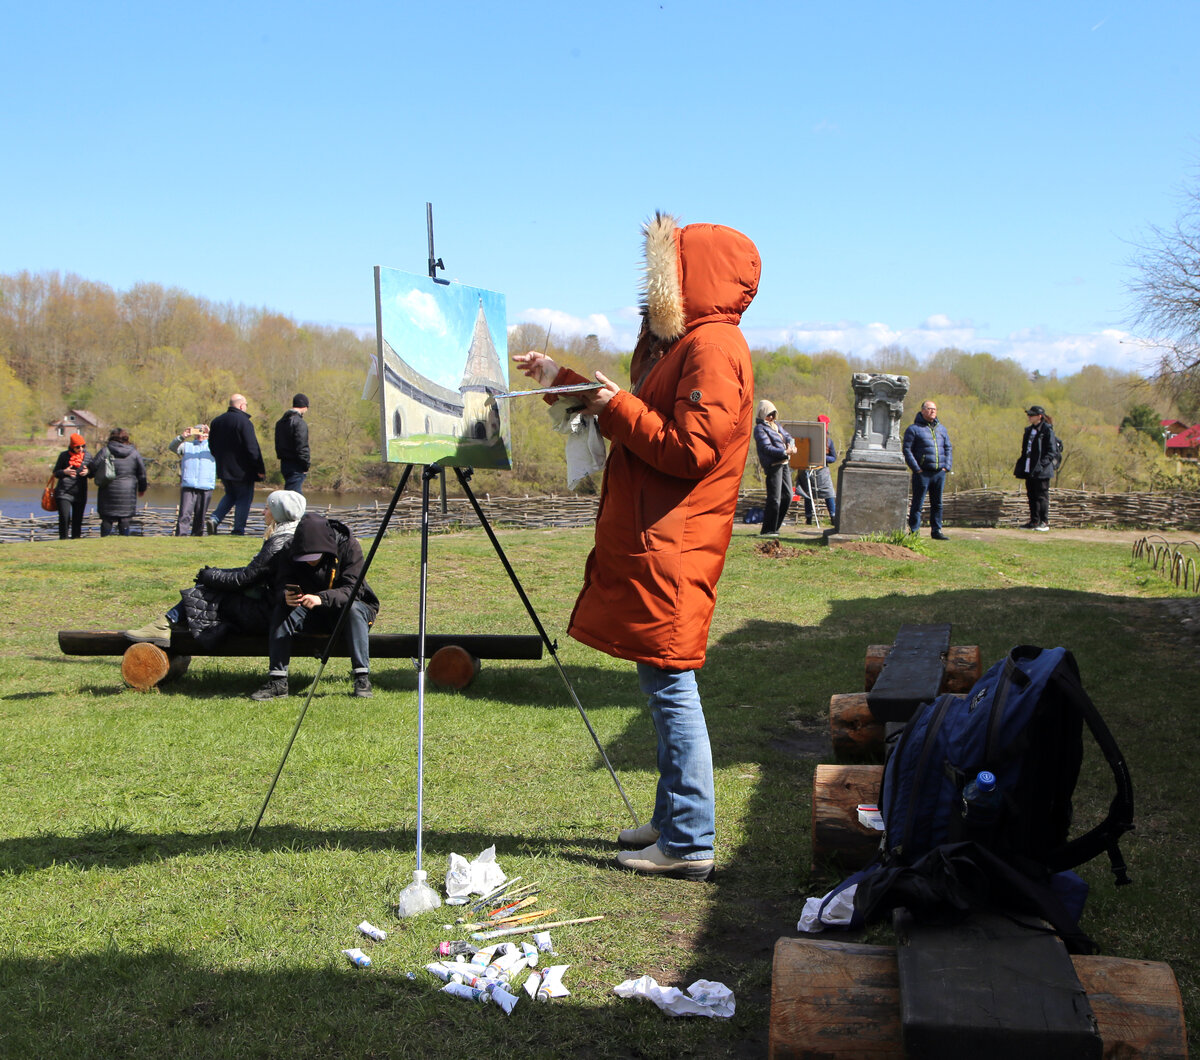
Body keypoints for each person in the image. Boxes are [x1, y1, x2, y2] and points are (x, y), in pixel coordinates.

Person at [513, 211, 760, 882]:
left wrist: (616, 406)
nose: (654, 290)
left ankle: (689, 840)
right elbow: (636, 411)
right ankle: (673, 818)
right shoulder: (682, 346)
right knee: (661, 684)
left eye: (666, 274)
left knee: (671, 686)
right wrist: (561, 377)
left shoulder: (713, 348)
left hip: (675, 543)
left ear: (692, 278)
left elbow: (690, 449)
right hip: (660, 537)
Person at [124, 490, 308, 649]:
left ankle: (164, 625)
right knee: (213, 586)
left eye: (267, 508)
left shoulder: (279, 541)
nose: (263, 512)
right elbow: (254, 572)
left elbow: (244, 579)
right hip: (276, 605)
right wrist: (217, 573)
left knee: (207, 591)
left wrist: (208, 576)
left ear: (277, 512)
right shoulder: (293, 534)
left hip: (270, 612)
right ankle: (168, 624)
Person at [248, 511, 380, 701]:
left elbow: (353, 589)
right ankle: (278, 681)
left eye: (314, 556)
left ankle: (362, 678)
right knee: (282, 609)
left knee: (352, 609)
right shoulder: (289, 549)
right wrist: (285, 595)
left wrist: (321, 598)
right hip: (308, 610)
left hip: (349, 610)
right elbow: (280, 582)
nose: (310, 561)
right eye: (304, 557)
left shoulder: (349, 546)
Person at [207, 393, 265, 535]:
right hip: (243, 470)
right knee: (244, 499)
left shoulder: (216, 422)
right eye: (246, 405)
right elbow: (252, 448)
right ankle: (238, 530)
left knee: (230, 495)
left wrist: (220, 461)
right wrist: (260, 468)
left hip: (223, 469)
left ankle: (214, 519)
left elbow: (212, 446)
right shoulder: (244, 422)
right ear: (241, 406)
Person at [902, 400, 952, 540]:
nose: (933, 411)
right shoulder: (913, 429)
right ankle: (914, 532)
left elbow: (948, 448)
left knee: (937, 503)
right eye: (930, 408)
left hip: (939, 472)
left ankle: (936, 531)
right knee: (918, 503)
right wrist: (917, 469)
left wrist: (946, 467)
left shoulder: (941, 429)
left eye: (934, 409)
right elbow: (907, 450)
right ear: (923, 410)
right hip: (922, 473)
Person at [91, 428, 147, 537]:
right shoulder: (134, 453)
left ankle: (104, 541)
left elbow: (93, 466)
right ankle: (124, 540)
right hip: (128, 492)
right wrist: (142, 488)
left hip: (108, 490)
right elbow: (142, 473)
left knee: (107, 519)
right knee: (125, 519)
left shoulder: (105, 450)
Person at [753, 400, 795, 536]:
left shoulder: (776, 426)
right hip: (773, 464)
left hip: (784, 462)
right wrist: (784, 452)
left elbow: (787, 436)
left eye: (773, 414)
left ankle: (775, 527)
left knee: (788, 496)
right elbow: (766, 448)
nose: (771, 417)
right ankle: (768, 529)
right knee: (774, 498)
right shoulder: (760, 429)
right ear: (762, 414)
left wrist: (791, 445)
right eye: (768, 414)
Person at [1014, 404, 1058, 531]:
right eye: (1029, 415)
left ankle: (1044, 521)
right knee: (1031, 495)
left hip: (1042, 471)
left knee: (1042, 496)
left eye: (1031, 415)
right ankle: (1034, 521)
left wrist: (1041, 465)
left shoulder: (1047, 430)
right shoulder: (1029, 430)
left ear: (1039, 416)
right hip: (1029, 468)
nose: (1029, 417)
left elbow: (1051, 452)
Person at [170, 424, 216, 537]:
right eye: (198, 432)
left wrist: (212, 435)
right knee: (184, 514)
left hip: (206, 486)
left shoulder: (213, 446)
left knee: (201, 516)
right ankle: (181, 536)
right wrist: (182, 436)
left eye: (202, 432)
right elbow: (172, 447)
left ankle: (197, 536)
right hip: (188, 485)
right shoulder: (187, 446)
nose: (200, 435)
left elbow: (225, 447)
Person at [799, 414, 838, 526]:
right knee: (808, 494)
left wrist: (822, 457)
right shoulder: (808, 439)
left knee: (829, 493)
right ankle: (809, 518)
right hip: (808, 470)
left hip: (822, 471)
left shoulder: (829, 442)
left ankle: (833, 517)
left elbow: (833, 458)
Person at [51, 433, 90, 539]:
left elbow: (93, 473)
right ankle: (63, 539)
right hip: (64, 492)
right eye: (78, 447)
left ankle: (76, 540)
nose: (81, 449)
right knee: (64, 518)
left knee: (78, 519)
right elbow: (55, 472)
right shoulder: (64, 455)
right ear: (72, 446)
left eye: (83, 446)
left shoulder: (88, 456)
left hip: (80, 492)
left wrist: (88, 472)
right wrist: (64, 472)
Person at [275, 393, 311, 493]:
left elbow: (278, 445)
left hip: (284, 464)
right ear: (305, 407)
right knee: (294, 498)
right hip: (296, 466)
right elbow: (302, 446)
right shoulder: (300, 423)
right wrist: (305, 465)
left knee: (291, 495)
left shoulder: (280, 422)